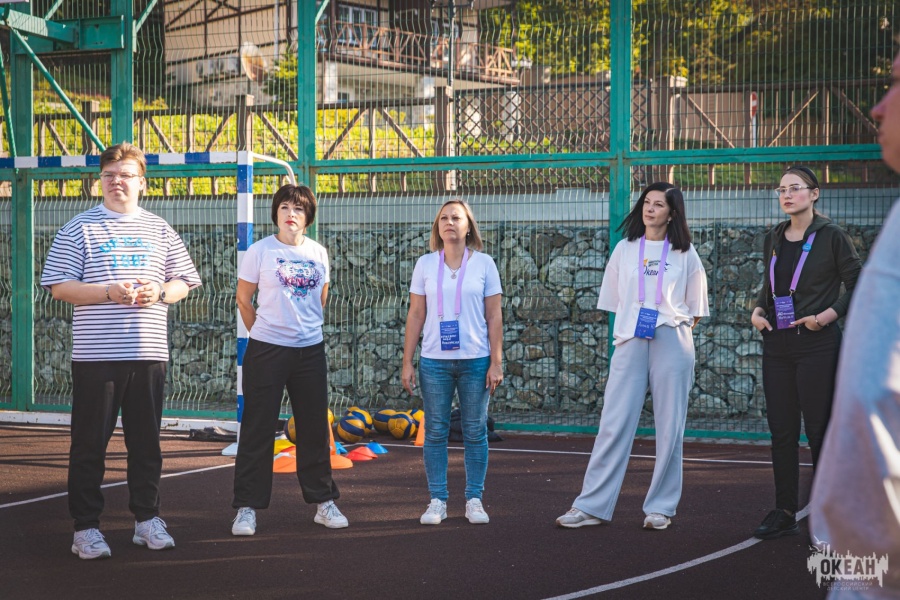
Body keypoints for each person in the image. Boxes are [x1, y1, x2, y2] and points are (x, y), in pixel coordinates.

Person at [40, 142, 202, 559]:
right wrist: (107, 292)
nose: (117, 182)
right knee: (89, 446)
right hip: (96, 357)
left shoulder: (160, 229)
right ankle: (85, 529)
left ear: (142, 183)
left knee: (146, 445)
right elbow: (59, 287)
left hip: (148, 353)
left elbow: (184, 283)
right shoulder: (78, 228)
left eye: (126, 175)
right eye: (109, 175)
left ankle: (147, 520)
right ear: (100, 181)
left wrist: (160, 291)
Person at [556, 182, 709, 530]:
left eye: (659, 205)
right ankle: (591, 506)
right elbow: (614, 302)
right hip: (630, 340)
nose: (650, 209)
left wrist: (668, 327)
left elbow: (696, 310)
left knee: (670, 428)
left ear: (672, 213)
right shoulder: (625, 249)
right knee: (613, 424)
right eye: (646, 203)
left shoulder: (686, 253)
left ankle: (661, 508)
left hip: (672, 339)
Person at [810, 48, 900, 597]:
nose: (878, 106)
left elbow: (875, 398)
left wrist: (863, 554)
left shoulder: (841, 237)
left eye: (898, 83)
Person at [750, 166, 862, 540]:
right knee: (782, 431)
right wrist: (758, 310)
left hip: (817, 344)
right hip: (777, 344)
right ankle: (785, 511)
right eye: (781, 189)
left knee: (819, 430)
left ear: (814, 194)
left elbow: (858, 283)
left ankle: (834, 515)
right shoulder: (774, 237)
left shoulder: (831, 236)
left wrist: (826, 316)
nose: (786, 195)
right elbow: (771, 285)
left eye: (794, 188)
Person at [231, 184, 348, 536]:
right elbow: (243, 299)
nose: (291, 214)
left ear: (308, 216)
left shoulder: (318, 252)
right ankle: (246, 508)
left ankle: (323, 502)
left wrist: (301, 331)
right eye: (284, 207)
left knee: (314, 430)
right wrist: (265, 332)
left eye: (298, 208)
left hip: (310, 351)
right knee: (257, 429)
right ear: (276, 214)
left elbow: (320, 299)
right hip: (267, 350)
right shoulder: (260, 251)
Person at [401, 199, 503, 526]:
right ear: (438, 227)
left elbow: (494, 316)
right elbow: (416, 314)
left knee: (475, 431)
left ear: (468, 226)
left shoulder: (485, 264)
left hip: (476, 360)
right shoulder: (425, 264)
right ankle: (437, 500)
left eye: (456, 217)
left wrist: (496, 361)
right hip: (434, 361)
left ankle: (474, 499)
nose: (449, 222)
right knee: (435, 432)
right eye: (443, 218)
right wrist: (407, 362)